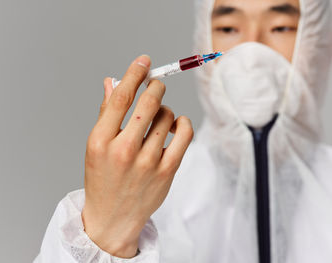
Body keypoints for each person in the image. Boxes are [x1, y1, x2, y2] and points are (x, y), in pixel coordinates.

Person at [34, 0, 332, 262]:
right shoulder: (148, 193)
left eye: (280, 27)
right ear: (203, 41)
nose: (250, 51)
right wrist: (105, 235)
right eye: (229, 28)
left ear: (320, 41)